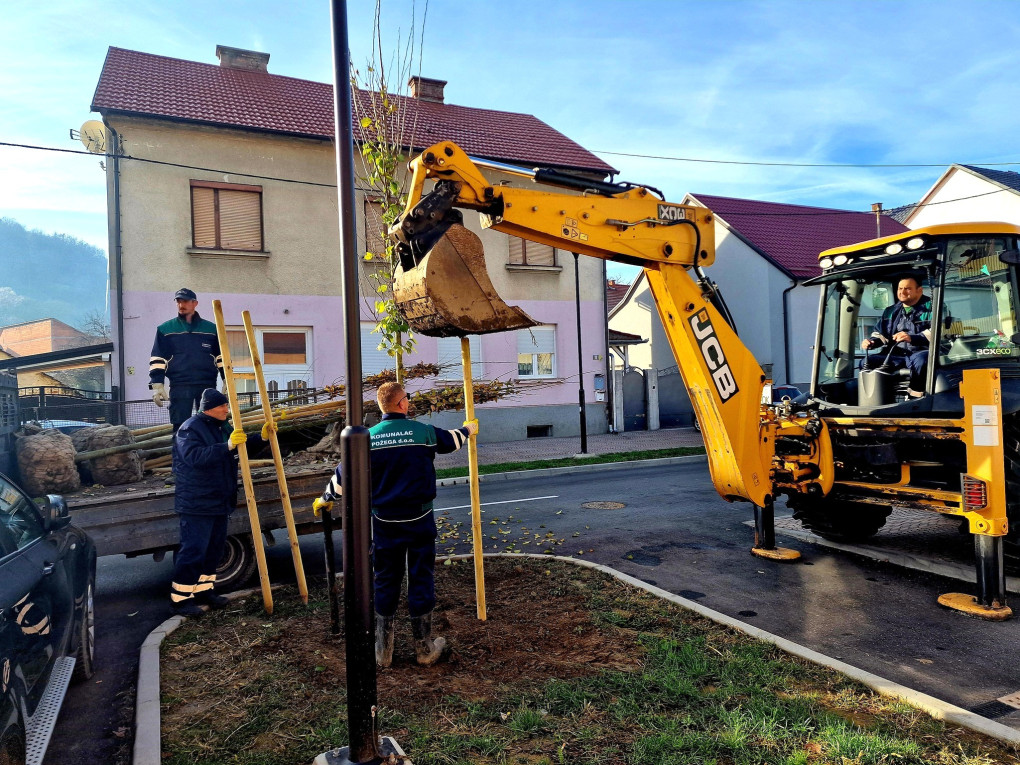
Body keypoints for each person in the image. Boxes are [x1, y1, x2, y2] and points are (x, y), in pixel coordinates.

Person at [314, 381, 478, 667]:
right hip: (420, 520)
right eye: (408, 399)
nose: (409, 403)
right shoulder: (423, 432)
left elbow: (342, 478)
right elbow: (452, 441)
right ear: (402, 404)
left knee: (385, 579)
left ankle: (383, 651)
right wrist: (468, 429)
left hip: (385, 522)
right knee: (421, 577)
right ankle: (425, 648)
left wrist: (325, 497)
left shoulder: (367, 438)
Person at [169, 388, 272, 616]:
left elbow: (239, 450)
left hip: (218, 500)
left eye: (226, 405)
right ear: (209, 408)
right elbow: (195, 457)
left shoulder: (222, 426)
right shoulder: (190, 428)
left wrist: (261, 438)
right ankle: (180, 600)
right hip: (197, 503)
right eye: (222, 406)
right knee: (193, 551)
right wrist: (226, 446)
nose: (227, 409)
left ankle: (205, 591)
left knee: (213, 551)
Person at [150, 288, 224, 433]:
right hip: (180, 385)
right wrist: (156, 384)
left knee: (209, 425)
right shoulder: (166, 329)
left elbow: (222, 357)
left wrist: (227, 378)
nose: (181, 305)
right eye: (178, 301)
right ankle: (179, 455)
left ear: (195, 303)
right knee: (180, 427)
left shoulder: (212, 329)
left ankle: (207, 454)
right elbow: (158, 358)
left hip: (206, 384)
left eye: (185, 301)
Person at [859, 275, 932, 398]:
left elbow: (938, 331)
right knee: (866, 362)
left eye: (907, 288)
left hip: (923, 351)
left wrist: (912, 338)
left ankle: (916, 398)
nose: (902, 292)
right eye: (900, 288)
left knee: (921, 361)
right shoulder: (891, 311)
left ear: (919, 290)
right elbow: (881, 334)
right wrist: (872, 342)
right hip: (896, 354)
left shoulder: (933, 307)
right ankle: (880, 399)